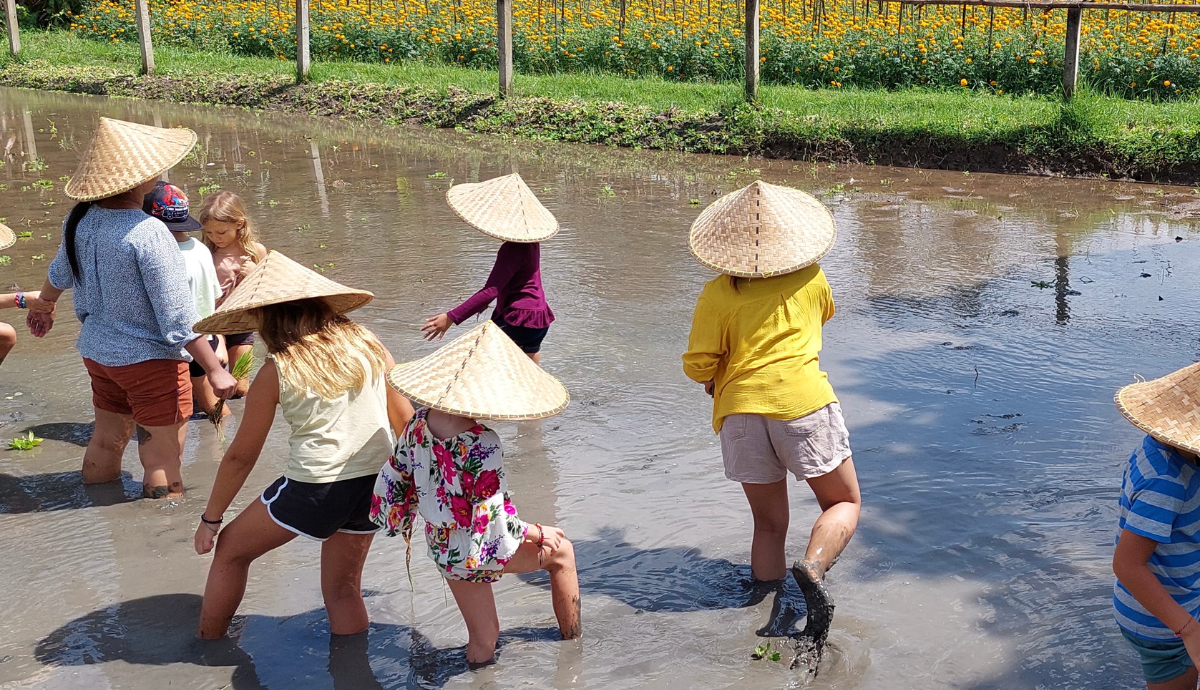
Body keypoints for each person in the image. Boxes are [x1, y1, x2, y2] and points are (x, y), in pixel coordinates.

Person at [192, 251, 414, 640]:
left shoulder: (277, 369)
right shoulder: (369, 343)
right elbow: (405, 420)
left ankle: (206, 648)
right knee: (342, 590)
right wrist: (416, 482)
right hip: (377, 481)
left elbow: (242, 456)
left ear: (264, 318)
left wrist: (211, 520)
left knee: (231, 550)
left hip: (316, 486)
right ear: (321, 301)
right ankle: (353, 667)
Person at [682, 181, 861, 647]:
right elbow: (823, 315)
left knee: (767, 525)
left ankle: (764, 608)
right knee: (843, 503)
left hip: (739, 411)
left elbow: (698, 364)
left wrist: (715, 377)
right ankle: (814, 567)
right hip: (802, 404)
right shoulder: (812, 277)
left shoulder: (718, 293)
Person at [26, 117, 237, 499]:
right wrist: (213, 370)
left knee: (106, 440)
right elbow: (177, 317)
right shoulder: (149, 232)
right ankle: (164, 526)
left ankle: (101, 504)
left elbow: (60, 273)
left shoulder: (80, 220)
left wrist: (44, 306)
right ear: (141, 179)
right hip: (149, 362)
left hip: (99, 353)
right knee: (162, 458)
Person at [373, 320, 581, 664]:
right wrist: (538, 532)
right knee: (563, 553)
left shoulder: (418, 424)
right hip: (474, 548)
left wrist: (404, 520)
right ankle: (573, 650)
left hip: (442, 545)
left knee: (484, 635)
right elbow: (492, 518)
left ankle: (480, 674)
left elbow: (394, 479)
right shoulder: (482, 442)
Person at [1113, 362, 1200, 690]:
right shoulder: (1167, 482)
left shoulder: (1156, 446)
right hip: (1165, 622)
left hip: (1174, 598)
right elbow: (1127, 565)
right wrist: (1189, 630)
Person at [421, 174, 558, 365]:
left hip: (518, 319)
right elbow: (518, 283)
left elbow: (490, 292)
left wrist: (451, 317)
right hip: (538, 320)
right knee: (528, 371)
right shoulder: (531, 242)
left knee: (475, 361)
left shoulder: (512, 249)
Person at [143, 181, 227, 418]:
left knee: (206, 408)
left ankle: (224, 438)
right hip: (207, 339)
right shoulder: (200, 248)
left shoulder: (166, 256)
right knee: (208, 404)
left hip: (185, 344)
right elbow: (215, 298)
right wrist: (219, 341)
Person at [198, 191, 267, 398]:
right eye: (209, 233)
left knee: (241, 387)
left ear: (239, 223)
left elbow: (267, 290)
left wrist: (255, 273)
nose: (215, 237)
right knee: (215, 384)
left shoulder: (255, 251)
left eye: (221, 232)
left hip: (242, 323)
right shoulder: (205, 253)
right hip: (211, 324)